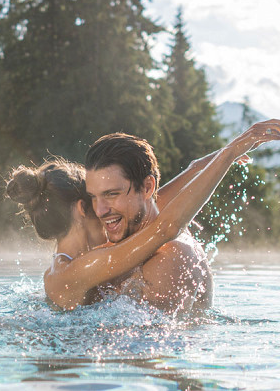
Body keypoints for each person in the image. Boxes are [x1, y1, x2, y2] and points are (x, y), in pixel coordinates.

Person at [6, 120, 280, 312]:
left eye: (109, 195)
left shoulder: (136, 235)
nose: (104, 211)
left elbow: (162, 197)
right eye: (95, 199)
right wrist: (228, 154)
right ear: (83, 208)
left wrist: (228, 152)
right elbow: (165, 224)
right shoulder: (74, 269)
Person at [85, 133, 214, 312]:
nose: (100, 211)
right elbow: (157, 203)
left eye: (112, 194)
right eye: (93, 197)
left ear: (146, 188)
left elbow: (152, 338)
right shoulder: (138, 226)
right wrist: (194, 169)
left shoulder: (169, 258)